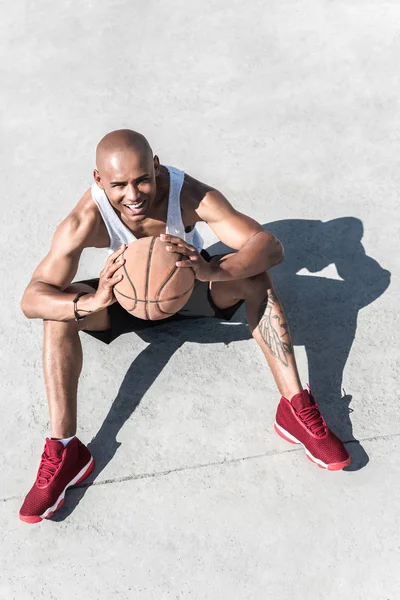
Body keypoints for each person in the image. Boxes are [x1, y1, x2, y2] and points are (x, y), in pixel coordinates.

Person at [19, 129, 350, 523]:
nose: (133, 195)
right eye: (118, 185)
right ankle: (65, 449)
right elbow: (31, 299)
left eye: (142, 179)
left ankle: (295, 408)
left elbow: (270, 246)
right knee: (58, 312)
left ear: (156, 166)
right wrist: (92, 301)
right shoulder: (84, 220)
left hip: (188, 286)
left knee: (256, 277)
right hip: (123, 299)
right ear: (97, 181)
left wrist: (212, 268)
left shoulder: (189, 195)